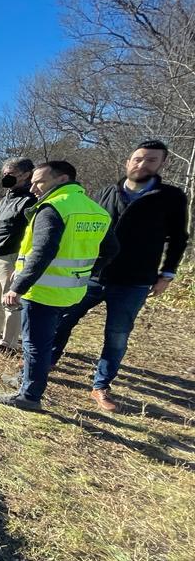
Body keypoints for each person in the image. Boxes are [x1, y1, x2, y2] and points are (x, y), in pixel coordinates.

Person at [49, 140, 190, 412]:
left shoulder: (170, 197)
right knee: (63, 317)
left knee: (117, 335)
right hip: (93, 274)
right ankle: (48, 361)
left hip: (134, 280)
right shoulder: (106, 193)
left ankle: (101, 385)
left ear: (162, 164)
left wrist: (167, 274)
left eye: (151, 160)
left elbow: (178, 239)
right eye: (138, 159)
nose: (142, 164)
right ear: (128, 162)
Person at [0, 161, 111, 411]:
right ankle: (26, 380)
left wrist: (18, 287)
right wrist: (83, 272)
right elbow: (111, 250)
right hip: (73, 290)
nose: (33, 188)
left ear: (62, 179)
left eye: (39, 182)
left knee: (35, 344)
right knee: (45, 341)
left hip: (43, 291)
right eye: (32, 182)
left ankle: (29, 396)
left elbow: (42, 252)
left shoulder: (53, 207)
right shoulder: (95, 210)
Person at [0, 158, 37, 350]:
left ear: (26, 175)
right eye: (4, 174)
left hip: (12, 257)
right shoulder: (5, 199)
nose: (6, 178)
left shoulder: (30, 201)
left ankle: (8, 343)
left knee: (11, 301)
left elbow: (32, 235)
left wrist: (21, 263)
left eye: (10, 174)